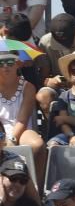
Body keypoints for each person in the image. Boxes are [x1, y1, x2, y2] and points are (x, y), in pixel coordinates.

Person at [0, 51, 45, 179]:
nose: (5, 66)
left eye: (9, 62)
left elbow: (22, 120)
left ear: (18, 64)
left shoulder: (28, 87)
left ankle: (37, 190)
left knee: (38, 145)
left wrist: (11, 140)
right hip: (0, 130)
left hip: (22, 129)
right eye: (1, 63)